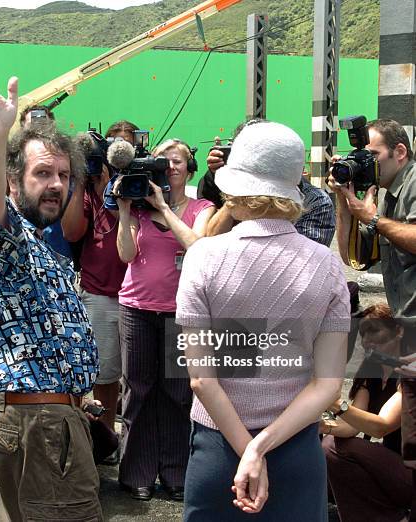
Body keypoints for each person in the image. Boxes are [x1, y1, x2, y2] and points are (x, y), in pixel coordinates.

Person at [176, 121, 350, 520]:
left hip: (218, 446)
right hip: (296, 448)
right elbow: (327, 384)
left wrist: (245, 450)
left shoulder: (203, 257)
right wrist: (260, 447)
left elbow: (202, 380)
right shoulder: (326, 265)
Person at [0, 57, 102, 522]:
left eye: (64, 176)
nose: (56, 185)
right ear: (12, 179)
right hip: (40, 420)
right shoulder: (5, 234)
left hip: (45, 417)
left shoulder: (44, 244)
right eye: (43, 173)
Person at [115, 138, 215, 501]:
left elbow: (198, 246)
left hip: (180, 311)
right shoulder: (138, 209)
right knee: (138, 389)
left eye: (178, 162)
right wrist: (126, 211)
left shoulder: (201, 208)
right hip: (137, 308)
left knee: (177, 393)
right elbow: (126, 255)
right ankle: (136, 471)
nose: (170, 167)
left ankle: (175, 472)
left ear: (190, 169)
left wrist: (163, 207)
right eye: (164, 161)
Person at [328, 118, 416, 516]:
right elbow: (358, 258)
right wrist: (344, 206)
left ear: (400, 152)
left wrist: (373, 218)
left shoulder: (412, 183)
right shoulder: (383, 193)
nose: (367, 163)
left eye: (373, 155)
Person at [62, 131, 126, 441]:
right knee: (104, 374)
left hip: (136, 294)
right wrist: (80, 185)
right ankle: (104, 439)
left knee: (132, 378)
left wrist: (107, 189)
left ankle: (119, 438)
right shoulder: (84, 191)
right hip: (98, 292)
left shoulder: (126, 186)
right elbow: (72, 232)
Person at [322, 303, 412, 521]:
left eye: (375, 330)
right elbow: (352, 426)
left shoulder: (409, 371)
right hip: (390, 466)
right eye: (363, 333)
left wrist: (333, 403)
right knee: (324, 443)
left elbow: (381, 426)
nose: (367, 339)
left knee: (333, 447)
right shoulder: (370, 371)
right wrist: (319, 424)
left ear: (398, 331)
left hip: (409, 471)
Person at [203, 120, 336, 246]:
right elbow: (212, 238)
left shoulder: (316, 201)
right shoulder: (224, 186)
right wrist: (236, 188)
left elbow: (301, 259)